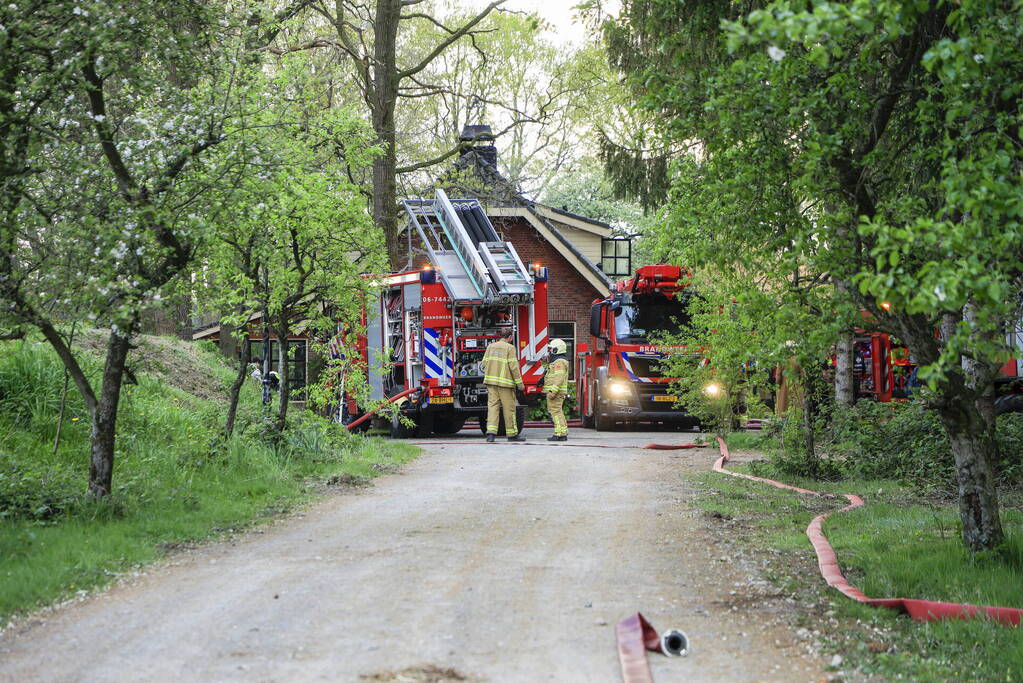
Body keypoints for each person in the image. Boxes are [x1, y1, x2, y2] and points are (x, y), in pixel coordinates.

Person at [482, 328, 525, 442]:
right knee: (509, 409)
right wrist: (520, 384)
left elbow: (483, 364)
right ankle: (512, 435)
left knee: (492, 408)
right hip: (505, 384)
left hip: (491, 383)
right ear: (510, 337)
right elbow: (514, 367)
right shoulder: (510, 348)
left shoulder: (490, 347)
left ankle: (490, 434)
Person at [544, 339, 570, 441]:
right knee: (558, 412)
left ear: (556, 350)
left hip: (556, 392)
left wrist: (553, 391)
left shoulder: (559, 362)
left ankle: (558, 434)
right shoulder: (557, 361)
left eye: (551, 349)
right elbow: (548, 372)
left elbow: (559, 378)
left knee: (555, 412)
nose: (550, 351)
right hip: (556, 392)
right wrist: (544, 361)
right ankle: (563, 432)